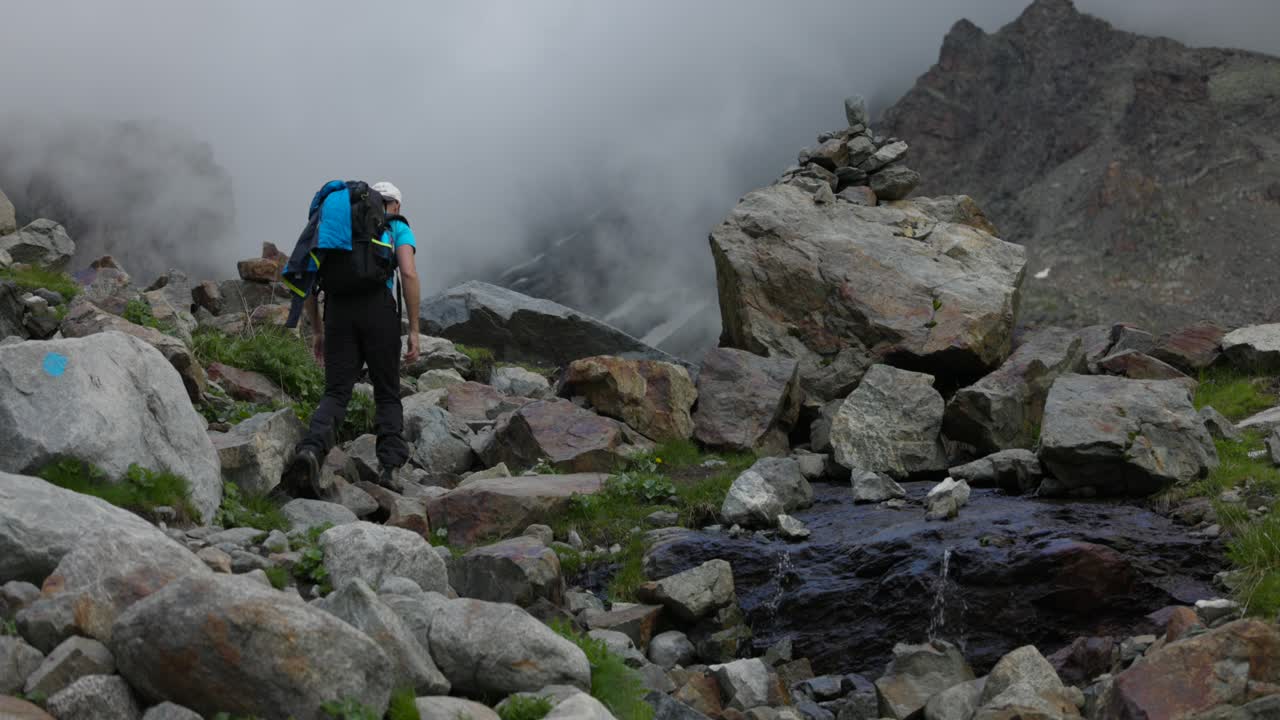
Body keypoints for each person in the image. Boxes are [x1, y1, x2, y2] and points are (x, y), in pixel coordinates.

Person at [280, 181, 421, 496]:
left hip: (339, 311)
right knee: (386, 393)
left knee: (336, 392)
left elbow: (309, 277)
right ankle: (389, 469)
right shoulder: (396, 226)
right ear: (395, 204)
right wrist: (413, 329)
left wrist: (318, 331)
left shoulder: (338, 225)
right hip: (379, 310)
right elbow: (409, 273)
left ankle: (311, 451)